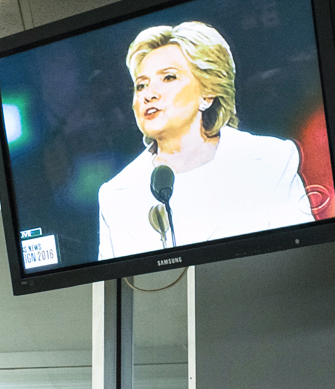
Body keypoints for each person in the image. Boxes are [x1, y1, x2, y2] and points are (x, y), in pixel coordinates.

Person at [95, 21, 314, 260]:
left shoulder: (270, 160)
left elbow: (307, 258)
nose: (149, 94)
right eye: (141, 85)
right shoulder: (115, 195)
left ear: (207, 94)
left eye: (168, 77)